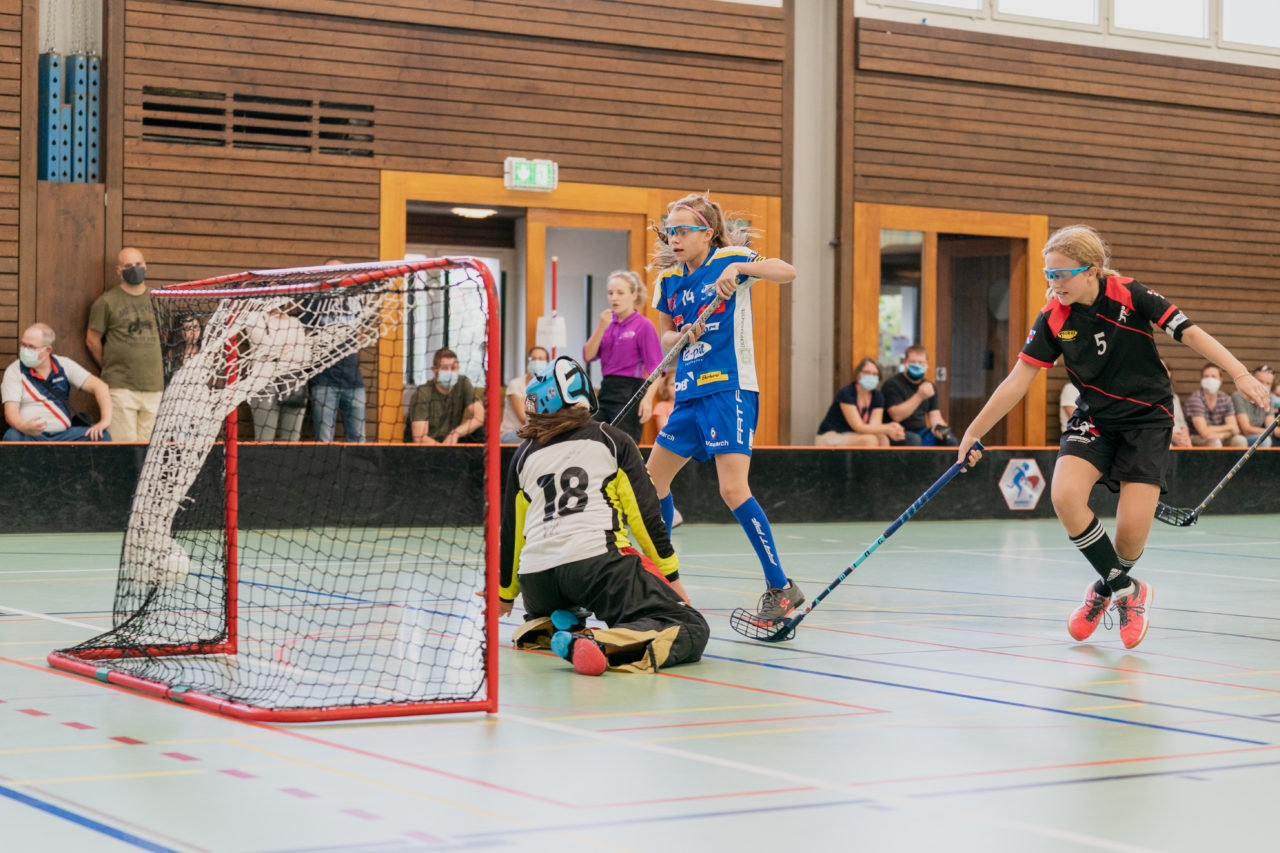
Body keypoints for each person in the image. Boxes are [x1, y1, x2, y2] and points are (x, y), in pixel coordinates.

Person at [955, 224, 1270, 649]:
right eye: (1048, 274)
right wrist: (974, 432)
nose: (1054, 283)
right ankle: (1128, 592)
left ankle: (1105, 590)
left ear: (1093, 271)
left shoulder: (1131, 293)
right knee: (1065, 496)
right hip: (1096, 418)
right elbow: (1017, 380)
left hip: (1147, 420)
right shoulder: (1053, 317)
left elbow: (1191, 333)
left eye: (1062, 274)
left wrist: (1240, 373)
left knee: (1129, 535)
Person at [645, 192, 800, 620]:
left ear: (706, 234)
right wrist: (681, 337)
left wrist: (740, 267)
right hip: (689, 392)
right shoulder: (669, 282)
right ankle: (665, 578)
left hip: (729, 387)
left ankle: (780, 587)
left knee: (732, 490)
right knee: (651, 482)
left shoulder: (728, 258)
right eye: (669, 231)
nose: (673, 238)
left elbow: (786, 271)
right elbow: (664, 337)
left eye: (682, 231)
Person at [500, 356, 707, 675]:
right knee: (690, 628)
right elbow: (646, 517)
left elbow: (512, 532)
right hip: (595, 568)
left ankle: (548, 627)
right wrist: (672, 579)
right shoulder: (613, 440)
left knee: (567, 602)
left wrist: (506, 593)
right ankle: (601, 646)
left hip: (537, 582)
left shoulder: (523, 455)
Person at [86, 247, 164, 442]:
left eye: (138, 264)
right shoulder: (106, 302)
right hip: (121, 388)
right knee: (124, 446)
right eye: (128, 266)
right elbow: (92, 339)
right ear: (118, 270)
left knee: (149, 448)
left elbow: (165, 335)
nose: (134, 269)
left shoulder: (159, 300)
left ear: (145, 266)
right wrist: (109, 366)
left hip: (154, 386)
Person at [583, 269, 663, 443]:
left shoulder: (643, 325)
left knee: (621, 445)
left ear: (634, 295)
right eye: (610, 293)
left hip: (630, 391)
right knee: (590, 438)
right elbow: (588, 356)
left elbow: (657, 369)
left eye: (620, 293)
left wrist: (648, 400)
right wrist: (601, 328)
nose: (614, 298)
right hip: (606, 390)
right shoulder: (606, 323)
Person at [3, 323, 112, 442]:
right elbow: (10, 414)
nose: (25, 350)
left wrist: (104, 421)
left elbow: (100, 387)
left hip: (64, 435)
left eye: (31, 347)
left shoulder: (64, 365)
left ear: (48, 350)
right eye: (23, 345)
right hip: (30, 435)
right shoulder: (14, 370)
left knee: (102, 437)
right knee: (12, 436)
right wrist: (24, 427)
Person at [304, 258, 367, 443]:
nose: (336, 277)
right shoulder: (314, 302)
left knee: (358, 438)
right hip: (324, 380)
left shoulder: (355, 301)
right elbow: (308, 337)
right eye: (331, 273)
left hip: (353, 380)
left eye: (340, 272)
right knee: (324, 440)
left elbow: (361, 334)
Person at [247, 304, 309, 442]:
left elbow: (304, 355)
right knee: (265, 438)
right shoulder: (255, 318)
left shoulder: (295, 322)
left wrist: (276, 353)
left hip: (292, 381)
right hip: (263, 382)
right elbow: (264, 346)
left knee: (291, 439)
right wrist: (288, 349)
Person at [814, 357, 905, 446]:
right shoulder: (847, 393)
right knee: (869, 440)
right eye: (867, 372)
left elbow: (875, 426)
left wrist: (893, 427)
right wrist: (888, 428)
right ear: (858, 374)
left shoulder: (877, 396)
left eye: (874, 374)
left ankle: (882, 462)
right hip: (833, 435)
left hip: (854, 435)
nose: (871, 376)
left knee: (883, 438)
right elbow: (858, 426)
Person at [881, 346, 958, 446]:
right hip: (897, 432)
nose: (917, 365)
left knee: (950, 441)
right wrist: (919, 396)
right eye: (913, 362)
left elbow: (935, 416)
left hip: (922, 431)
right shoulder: (892, 384)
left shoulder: (930, 386)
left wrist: (942, 430)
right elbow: (896, 416)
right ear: (905, 363)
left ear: (927, 364)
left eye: (921, 363)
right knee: (915, 440)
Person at [409, 347, 485, 445]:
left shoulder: (463, 383)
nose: (450, 372)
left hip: (451, 442)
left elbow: (480, 417)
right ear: (434, 370)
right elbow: (420, 438)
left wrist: (456, 433)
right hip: (427, 448)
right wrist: (444, 451)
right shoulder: (422, 394)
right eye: (445, 368)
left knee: (480, 432)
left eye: (453, 368)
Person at [1185, 363, 1248, 447]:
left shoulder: (1225, 398)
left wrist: (1222, 435)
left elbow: (1235, 429)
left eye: (1213, 376)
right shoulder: (1195, 399)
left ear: (1220, 380)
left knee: (1240, 440)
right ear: (1201, 379)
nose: (1210, 379)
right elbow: (1204, 432)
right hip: (1197, 438)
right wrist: (1229, 427)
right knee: (1214, 442)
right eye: (1206, 376)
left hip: (1222, 436)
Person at [499, 346, 549, 443]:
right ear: (528, 362)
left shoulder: (548, 387)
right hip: (512, 433)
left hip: (537, 431)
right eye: (533, 359)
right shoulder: (516, 385)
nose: (536, 362)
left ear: (547, 363)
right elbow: (525, 419)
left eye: (541, 359)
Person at [1232, 365, 1274, 447]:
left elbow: (1271, 428)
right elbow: (1246, 429)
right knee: (1265, 440)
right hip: (1241, 438)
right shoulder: (1238, 396)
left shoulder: (1269, 398)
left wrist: (1269, 431)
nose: (1264, 386)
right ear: (1252, 380)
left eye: (1268, 383)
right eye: (1261, 381)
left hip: (1259, 436)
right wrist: (1267, 431)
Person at [1162, 360, 1191, 448]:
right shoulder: (1148, 398)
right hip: (1165, 440)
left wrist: (1185, 437)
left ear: (1169, 373)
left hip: (1179, 439)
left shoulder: (1174, 397)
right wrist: (1172, 437)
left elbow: (1182, 423)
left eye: (1164, 368)